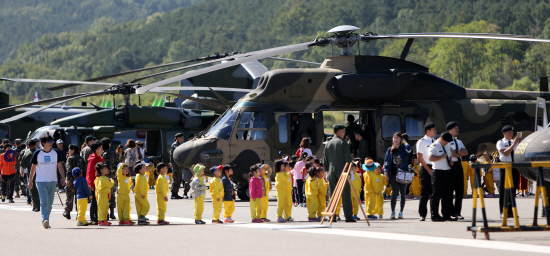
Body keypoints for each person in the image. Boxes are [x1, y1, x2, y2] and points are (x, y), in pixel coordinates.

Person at [28, 132, 66, 229]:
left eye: (52, 141)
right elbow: (33, 168)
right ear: (43, 143)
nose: (51, 142)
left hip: (53, 181)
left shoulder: (56, 152)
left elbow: (60, 166)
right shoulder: (37, 153)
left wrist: (63, 177)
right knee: (44, 202)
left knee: (50, 202)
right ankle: (45, 219)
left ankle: (46, 219)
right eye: (49, 141)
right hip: (40, 181)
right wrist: (30, 180)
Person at [323, 124, 354, 222]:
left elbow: (325, 159)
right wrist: (349, 170)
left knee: (333, 194)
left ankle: (332, 216)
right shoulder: (342, 142)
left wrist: (327, 170)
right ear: (339, 131)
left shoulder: (328, 143)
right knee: (345, 194)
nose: (344, 133)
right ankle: (348, 217)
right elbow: (348, 158)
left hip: (331, 170)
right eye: (343, 131)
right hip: (343, 170)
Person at [428, 131, 456, 222]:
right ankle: (434, 215)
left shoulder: (447, 146)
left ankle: (446, 214)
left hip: (447, 172)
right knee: (436, 195)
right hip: (438, 172)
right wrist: (442, 156)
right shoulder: (434, 146)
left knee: (447, 195)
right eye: (445, 141)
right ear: (441, 139)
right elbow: (431, 158)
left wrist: (451, 160)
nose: (447, 143)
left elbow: (449, 155)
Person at [383, 132, 412, 219]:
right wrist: (386, 174)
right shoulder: (389, 150)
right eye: (394, 138)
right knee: (394, 193)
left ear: (401, 140)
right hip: (393, 174)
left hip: (403, 173)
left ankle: (401, 212)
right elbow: (386, 162)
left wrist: (405, 142)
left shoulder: (403, 148)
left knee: (403, 193)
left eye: (398, 138)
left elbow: (409, 150)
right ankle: (393, 212)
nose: (395, 140)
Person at [496, 125, 521, 218]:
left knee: (513, 189)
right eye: (509, 132)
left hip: (514, 166)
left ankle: (511, 211)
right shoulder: (501, 142)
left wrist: (520, 143)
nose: (511, 134)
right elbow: (505, 153)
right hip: (505, 166)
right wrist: (513, 144)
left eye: (511, 132)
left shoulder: (514, 142)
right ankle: (503, 211)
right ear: (504, 133)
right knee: (503, 189)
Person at [446, 121, 468, 219]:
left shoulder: (459, 141)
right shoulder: (446, 141)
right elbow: (451, 154)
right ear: (450, 129)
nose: (457, 130)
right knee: (450, 190)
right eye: (455, 128)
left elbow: (465, 152)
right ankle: (451, 212)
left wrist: (456, 153)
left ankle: (457, 212)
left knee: (460, 190)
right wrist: (459, 153)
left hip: (459, 165)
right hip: (450, 166)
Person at [416, 122, 436, 221]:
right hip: (425, 167)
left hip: (435, 167)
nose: (435, 131)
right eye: (433, 130)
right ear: (428, 131)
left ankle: (434, 214)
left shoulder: (435, 141)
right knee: (425, 191)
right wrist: (428, 170)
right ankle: (422, 214)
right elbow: (419, 157)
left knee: (434, 192)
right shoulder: (422, 141)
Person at [63, 144, 85, 220]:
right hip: (80, 181)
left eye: (70, 150)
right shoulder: (81, 158)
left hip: (72, 180)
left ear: (73, 150)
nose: (68, 151)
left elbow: (68, 170)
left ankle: (67, 212)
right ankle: (79, 213)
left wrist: (68, 179)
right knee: (78, 198)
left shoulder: (70, 159)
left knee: (69, 196)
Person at [100, 138, 118, 220]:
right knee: (112, 194)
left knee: (105, 194)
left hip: (103, 176)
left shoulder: (101, 154)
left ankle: (106, 213)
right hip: (112, 176)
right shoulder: (114, 153)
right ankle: (112, 213)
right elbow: (117, 164)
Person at [86, 141, 104, 225]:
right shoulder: (93, 159)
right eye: (100, 148)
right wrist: (91, 184)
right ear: (95, 149)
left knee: (98, 200)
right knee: (94, 201)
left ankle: (98, 216)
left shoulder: (100, 158)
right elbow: (89, 172)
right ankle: (93, 218)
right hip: (94, 183)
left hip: (100, 183)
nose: (101, 149)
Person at [22, 139, 38, 210]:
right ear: (35, 145)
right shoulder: (39, 152)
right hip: (41, 172)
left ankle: (36, 205)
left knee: (32, 189)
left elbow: (22, 164)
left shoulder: (27, 154)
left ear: (28, 146)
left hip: (31, 173)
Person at [170, 133, 184, 199]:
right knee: (176, 179)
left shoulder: (178, 145)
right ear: (178, 138)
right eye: (181, 137)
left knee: (179, 179)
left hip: (178, 164)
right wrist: (172, 163)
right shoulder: (175, 145)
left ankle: (176, 193)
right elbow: (173, 155)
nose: (182, 138)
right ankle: (173, 194)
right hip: (176, 164)